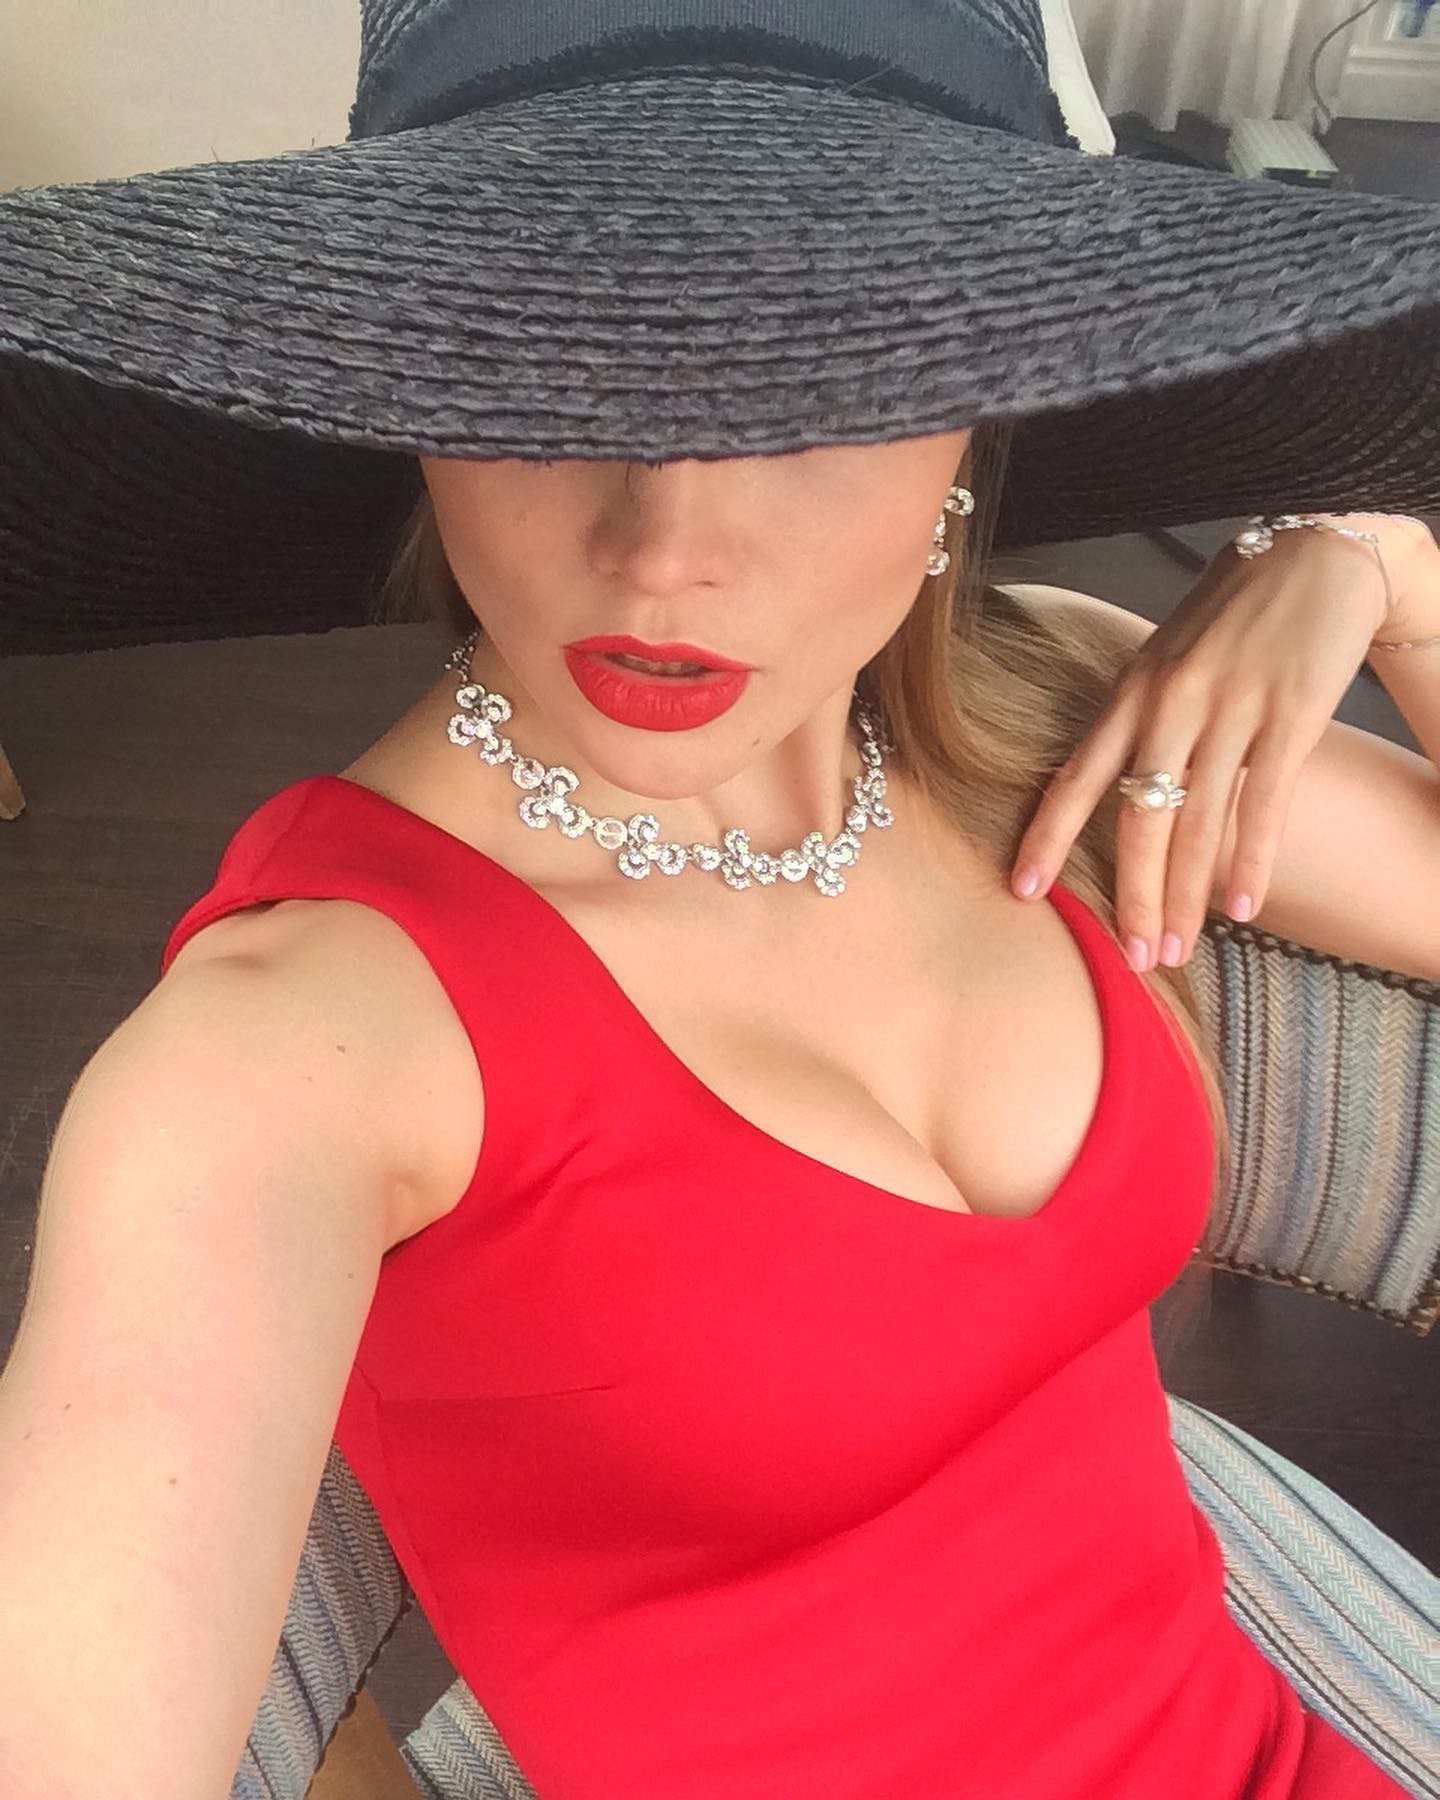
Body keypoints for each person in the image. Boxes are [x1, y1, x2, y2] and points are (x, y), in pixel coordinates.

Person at [0, 4, 1437, 1796]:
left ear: (980, 409)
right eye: (538, 371)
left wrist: (1375, 563)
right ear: (407, 399)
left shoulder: (1058, 713)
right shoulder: (294, 1047)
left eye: (812, 385)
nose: (662, 546)